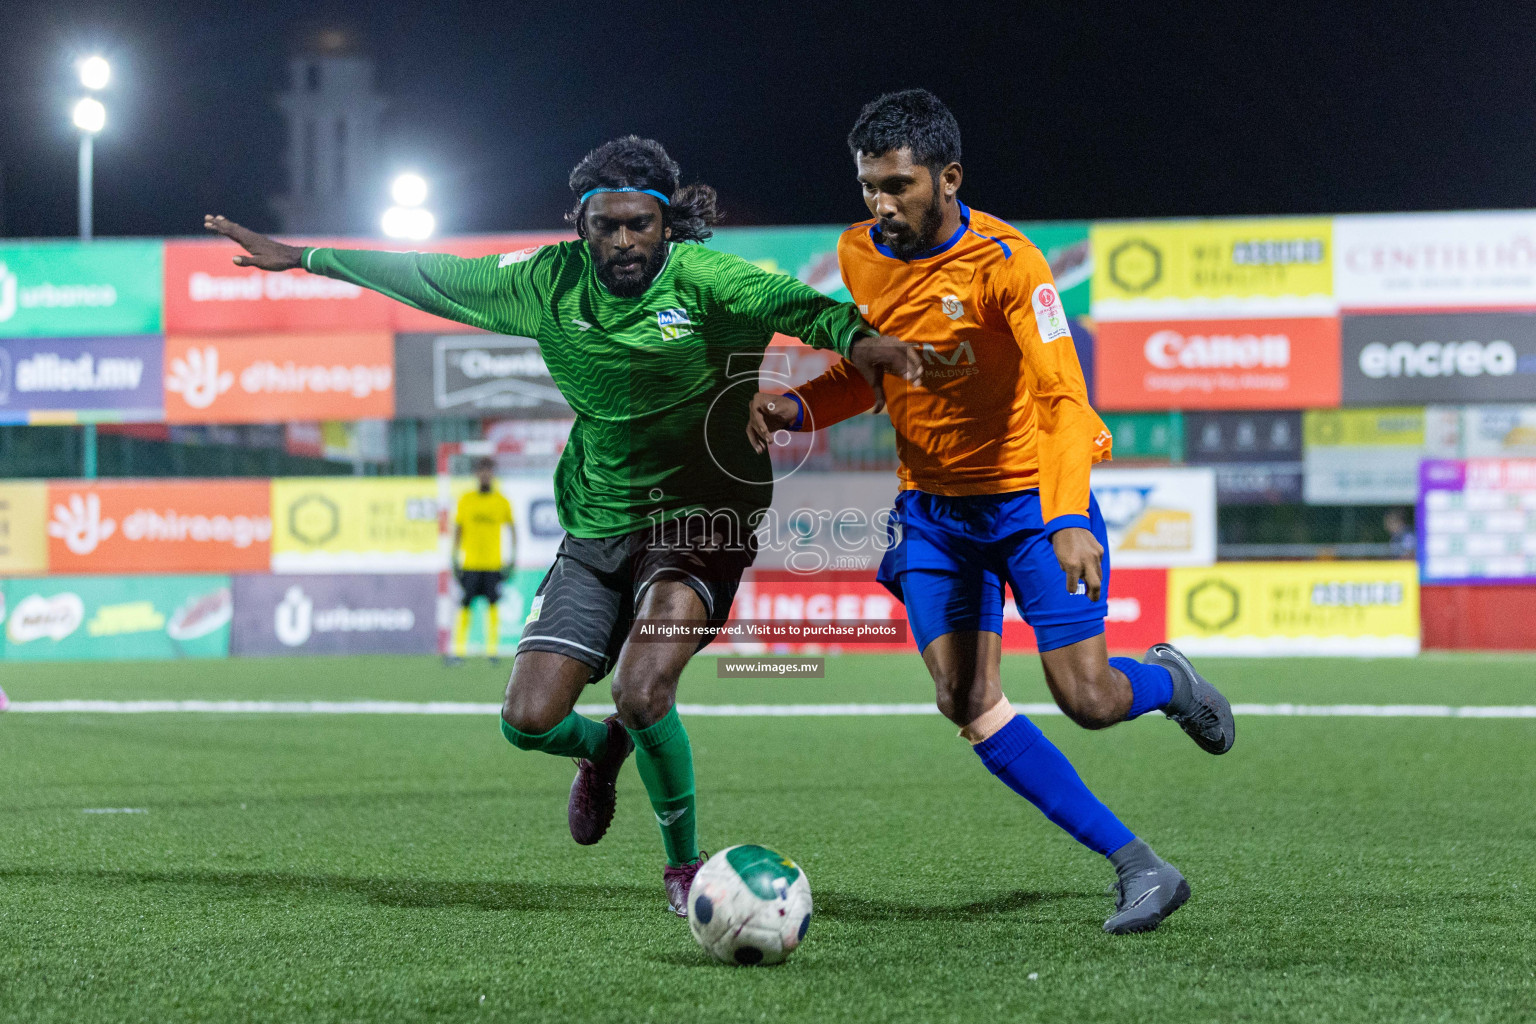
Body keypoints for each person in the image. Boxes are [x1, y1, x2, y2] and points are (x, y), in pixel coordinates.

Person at [205, 135, 918, 916]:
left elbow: (804, 308)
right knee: (527, 721)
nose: (622, 243)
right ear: (580, 225)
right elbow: (423, 274)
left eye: (639, 225)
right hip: (598, 519)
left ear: (666, 221)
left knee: (644, 691)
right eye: (604, 226)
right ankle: (601, 748)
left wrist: (861, 340)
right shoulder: (547, 281)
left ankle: (683, 868)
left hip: (704, 516)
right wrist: (303, 257)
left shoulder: (708, 279)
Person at [748, 91, 1235, 934]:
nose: (880, 204)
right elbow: (871, 375)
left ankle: (1165, 683)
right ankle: (1140, 865)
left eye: (897, 185)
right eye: (868, 186)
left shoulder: (1011, 264)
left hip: (1030, 508)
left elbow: (1061, 395)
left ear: (949, 177)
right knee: (964, 700)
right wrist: (796, 408)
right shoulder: (858, 255)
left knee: (1088, 699)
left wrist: (1071, 515)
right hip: (934, 516)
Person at [448, 456, 516, 664]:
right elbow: (458, 530)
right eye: (481, 470)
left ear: (492, 474)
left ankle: (492, 652)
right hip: (470, 564)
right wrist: (454, 558)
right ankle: (458, 651)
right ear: (477, 474)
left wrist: (512, 559)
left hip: (493, 563)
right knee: (464, 605)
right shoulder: (466, 499)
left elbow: (512, 530)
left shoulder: (501, 501)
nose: (485, 475)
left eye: (488, 470)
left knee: (493, 606)